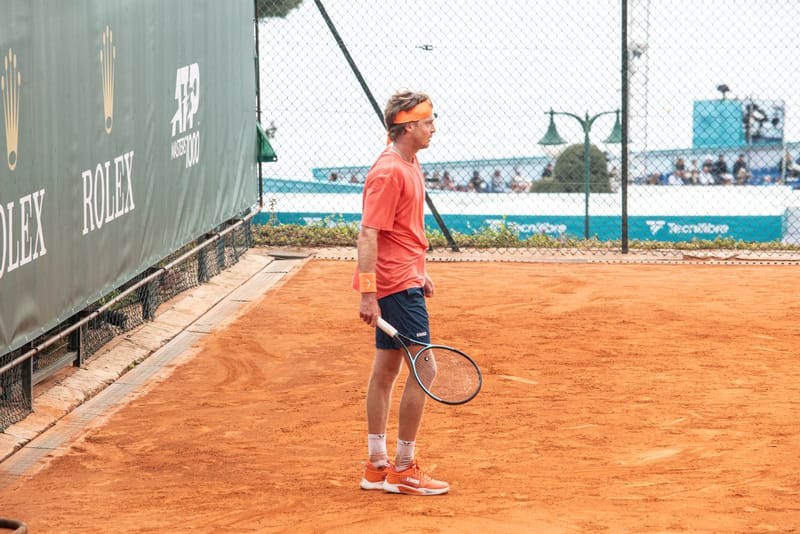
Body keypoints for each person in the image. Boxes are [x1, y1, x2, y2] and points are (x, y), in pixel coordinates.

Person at [354, 90, 449, 496]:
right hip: (394, 286)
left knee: (386, 370)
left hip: (403, 279)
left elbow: (407, 228)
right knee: (425, 370)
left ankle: (377, 466)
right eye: (428, 123)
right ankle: (405, 468)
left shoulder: (411, 162)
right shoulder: (388, 172)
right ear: (408, 127)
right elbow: (368, 233)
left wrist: (420, 270)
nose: (433, 129)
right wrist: (368, 294)